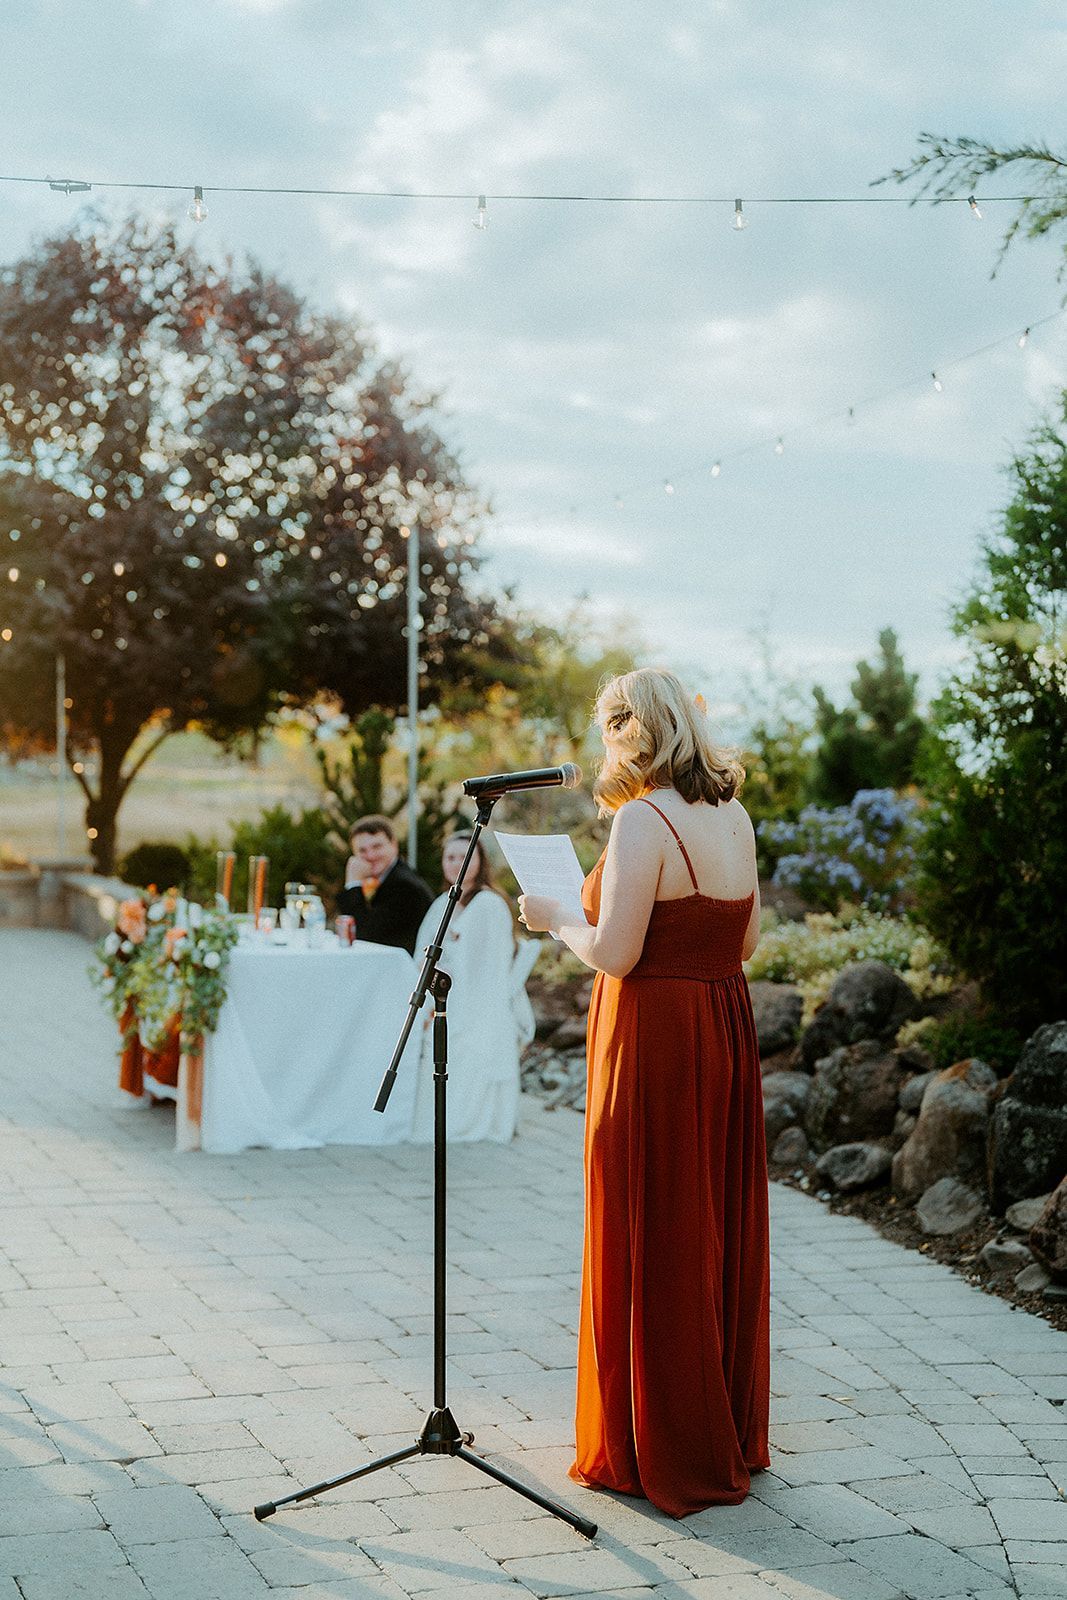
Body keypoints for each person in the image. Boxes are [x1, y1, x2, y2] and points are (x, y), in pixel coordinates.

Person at [518, 667, 769, 1519]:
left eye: (605, 728)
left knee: (654, 1220)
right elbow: (748, 936)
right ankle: (720, 1425)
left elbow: (615, 953)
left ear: (628, 731)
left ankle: (658, 1441)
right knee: (709, 1220)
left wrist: (555, 916)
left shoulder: (641, 820)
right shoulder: (732, 814)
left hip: (654, 1039)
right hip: (720, 1027)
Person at [410, 832, 537, 1143]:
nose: (458, 864)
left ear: (480, 862)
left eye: (465, 857)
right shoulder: (442, 903)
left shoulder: (489, 904)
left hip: (477, 1003)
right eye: (450, 857)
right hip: (443, 999)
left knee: (467, 1045)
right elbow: (422, 956)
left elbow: (484, 968)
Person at [335, 815, 433, 956]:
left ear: (394, 845)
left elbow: (363, 935)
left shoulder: (403, 886)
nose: (371, 855)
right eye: (362, 851)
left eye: (377, 846)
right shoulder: (388, 878)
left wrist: (353, 884)